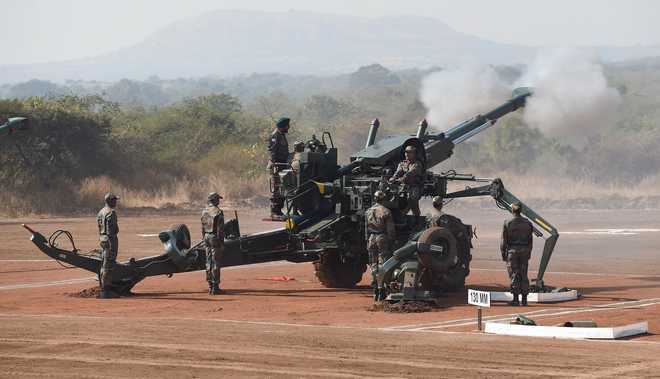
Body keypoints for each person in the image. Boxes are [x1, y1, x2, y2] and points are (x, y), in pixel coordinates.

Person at [501, 202, 534, 306]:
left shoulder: (507, 222)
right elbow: (530, 240)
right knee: (524, 274)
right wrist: (529, 252)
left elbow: (503, 241)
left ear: (512, 210)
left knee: (514, 274)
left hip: (512, 252)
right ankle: (524, 299)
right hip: (524, 251)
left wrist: (503, 253)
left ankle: (515, 299)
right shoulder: (528, 223)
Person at [365, 190, 396, 301]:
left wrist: (367, 240)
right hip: (382, 237)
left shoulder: (368, 211)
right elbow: (390, 230)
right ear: (384, 199)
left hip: (371, 238)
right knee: (384, 263)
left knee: (373, 263)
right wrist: (392, 240)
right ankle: (382, 289)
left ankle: (375, 290)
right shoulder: (386, 211)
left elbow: (366, 228)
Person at [388, 145, 423, 217]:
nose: (407, 154)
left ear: (414, 154)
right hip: (403, 186)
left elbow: (410, 173)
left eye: (410, 152)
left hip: (414, 186)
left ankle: (416, 218)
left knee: (412, 199)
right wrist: (393, 178)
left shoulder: (417, 164)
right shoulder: (403, 163)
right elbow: (398, 172)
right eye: (406, 152)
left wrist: (402, 179)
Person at [97, 193, 120, 299]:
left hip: (102, 239)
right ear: (109, 201)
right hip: (110, 240)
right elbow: (112, 229)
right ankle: (106, 291)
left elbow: (99, 227)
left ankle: (104, 287)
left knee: (104, 263)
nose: (116, 202)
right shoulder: (111, 212)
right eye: (114, 200)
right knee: (108, 265)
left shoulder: (101, 212)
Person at [201, 192, 225, 295]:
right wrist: (221, 243)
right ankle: (215, 287)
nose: (219, 201)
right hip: (215, 238)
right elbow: (220, 230)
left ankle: (210, 285)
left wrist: (203, 239)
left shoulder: (204, 211)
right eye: (217, 199)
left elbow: (202, 228)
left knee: (208, 262)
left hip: (206, 237)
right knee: (215, 263)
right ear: (214, 200)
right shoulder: (219, 212)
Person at [267, 117, 290, 219]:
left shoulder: (281, 135)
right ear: (282, 126)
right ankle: (274, 212)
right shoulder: (275, 135)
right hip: (277, 166)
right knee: (276, 188)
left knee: (282, 188)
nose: (288, 127)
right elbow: (272, 151)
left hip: (282, 165)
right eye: (287, 125)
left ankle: (279, 211)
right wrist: (275, 164)